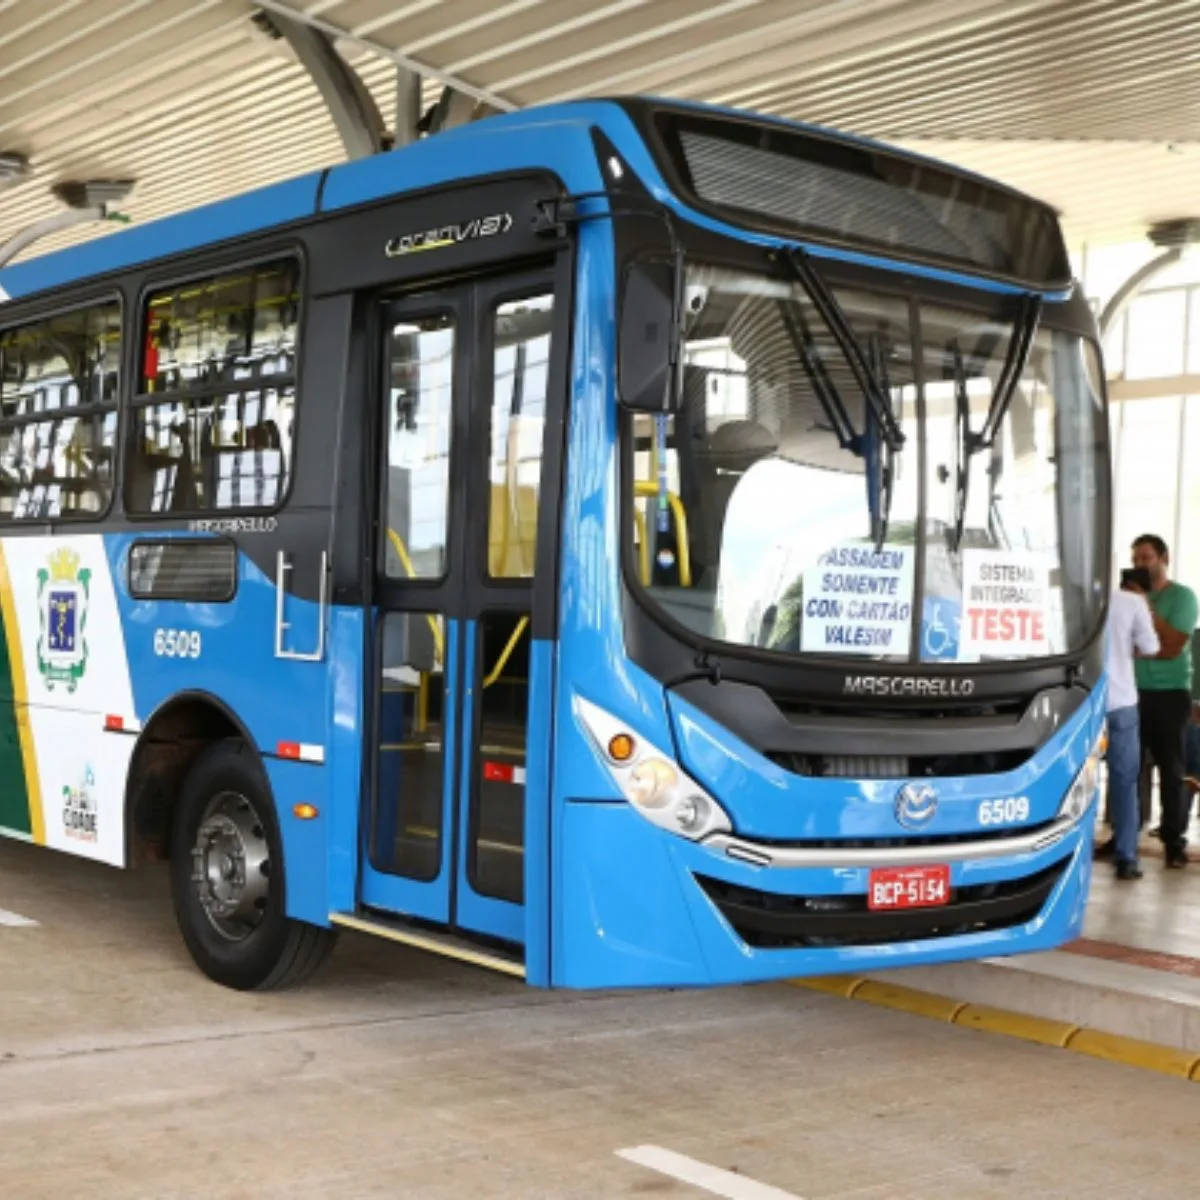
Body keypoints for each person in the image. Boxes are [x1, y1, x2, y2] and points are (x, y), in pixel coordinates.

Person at [1132, 534, 1199, 868]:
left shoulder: (1183, 596)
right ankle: (1125, 836)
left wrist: (1145, 606)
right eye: (1136, 560)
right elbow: (1127, 645)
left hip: (1171, 695)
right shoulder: (1127, 598)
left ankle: (1174, 842)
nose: (1141, 565)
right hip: (1133, 693)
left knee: (1171, 769)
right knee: (1127, 768)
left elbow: (1172, 646)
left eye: (1147, 558)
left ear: (1163, 558)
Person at [1104, 567, 1159, 879]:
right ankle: (1126, 858)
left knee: (1074, 781)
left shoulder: (1088, 598)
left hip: (1084, 703)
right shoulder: (1135, 603)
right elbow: (1151, 647)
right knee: (1125, 783)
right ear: (1140, 589)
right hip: (1122, 703)